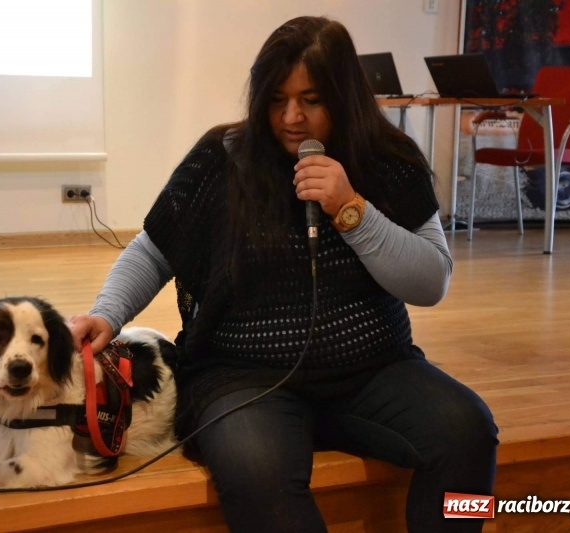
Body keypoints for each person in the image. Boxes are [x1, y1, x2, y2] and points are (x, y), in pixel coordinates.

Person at [69, 15, 498, 533]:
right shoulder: (221, 157)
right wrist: (106, 314)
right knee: (257, 471)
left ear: (345, 97)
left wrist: (352, 210)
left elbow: (432, 281)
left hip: (371, 369)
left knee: (468, 430)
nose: (292, 117)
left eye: (312, 100)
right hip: (241, 376)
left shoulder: (388, 159)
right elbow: (155, 250)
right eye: (277, 99)